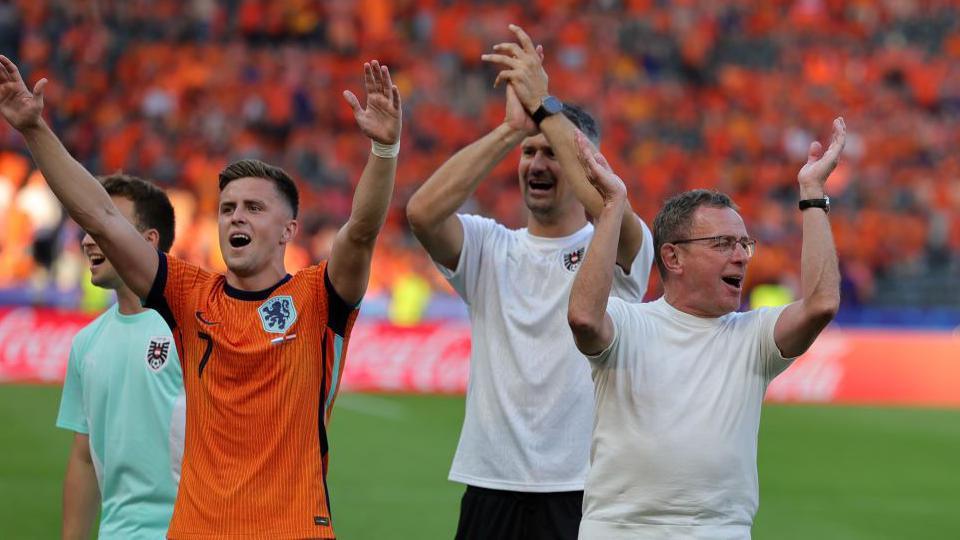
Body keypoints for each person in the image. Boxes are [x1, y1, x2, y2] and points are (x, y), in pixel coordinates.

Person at [0, 55, 401, 539]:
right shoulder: (190, 295)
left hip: (294, 529)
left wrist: (384, 150)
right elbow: (103, 219)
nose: (236, 217)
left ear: (288, 230)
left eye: (254, 208)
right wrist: (34, 129)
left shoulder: (318, 298)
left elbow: (359, 232)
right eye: (228, 208)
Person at [406, 25, 653, 540]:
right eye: (529, 154)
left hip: (583, 488)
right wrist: (511, 131)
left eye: (551, 153)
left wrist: (546, 106)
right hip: (491, 482)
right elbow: (423, 212)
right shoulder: (490, 247)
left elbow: (606, 199)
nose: (537, 164)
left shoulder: (617, 242)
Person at [567, 118, 846, 539]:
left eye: (743, 243)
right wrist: (612, 207)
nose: (741, 257)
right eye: (722, 245)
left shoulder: (752, 338)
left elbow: (821, 303)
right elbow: (584, 318)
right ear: (673, 258)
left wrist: (813, 194)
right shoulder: (628, 322)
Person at [56, 173, 183, 540]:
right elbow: (83, 456)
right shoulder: (86, 343)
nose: (86, 239)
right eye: (86, 226)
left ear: (148, 241)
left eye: (103, 225)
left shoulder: (194, 328)